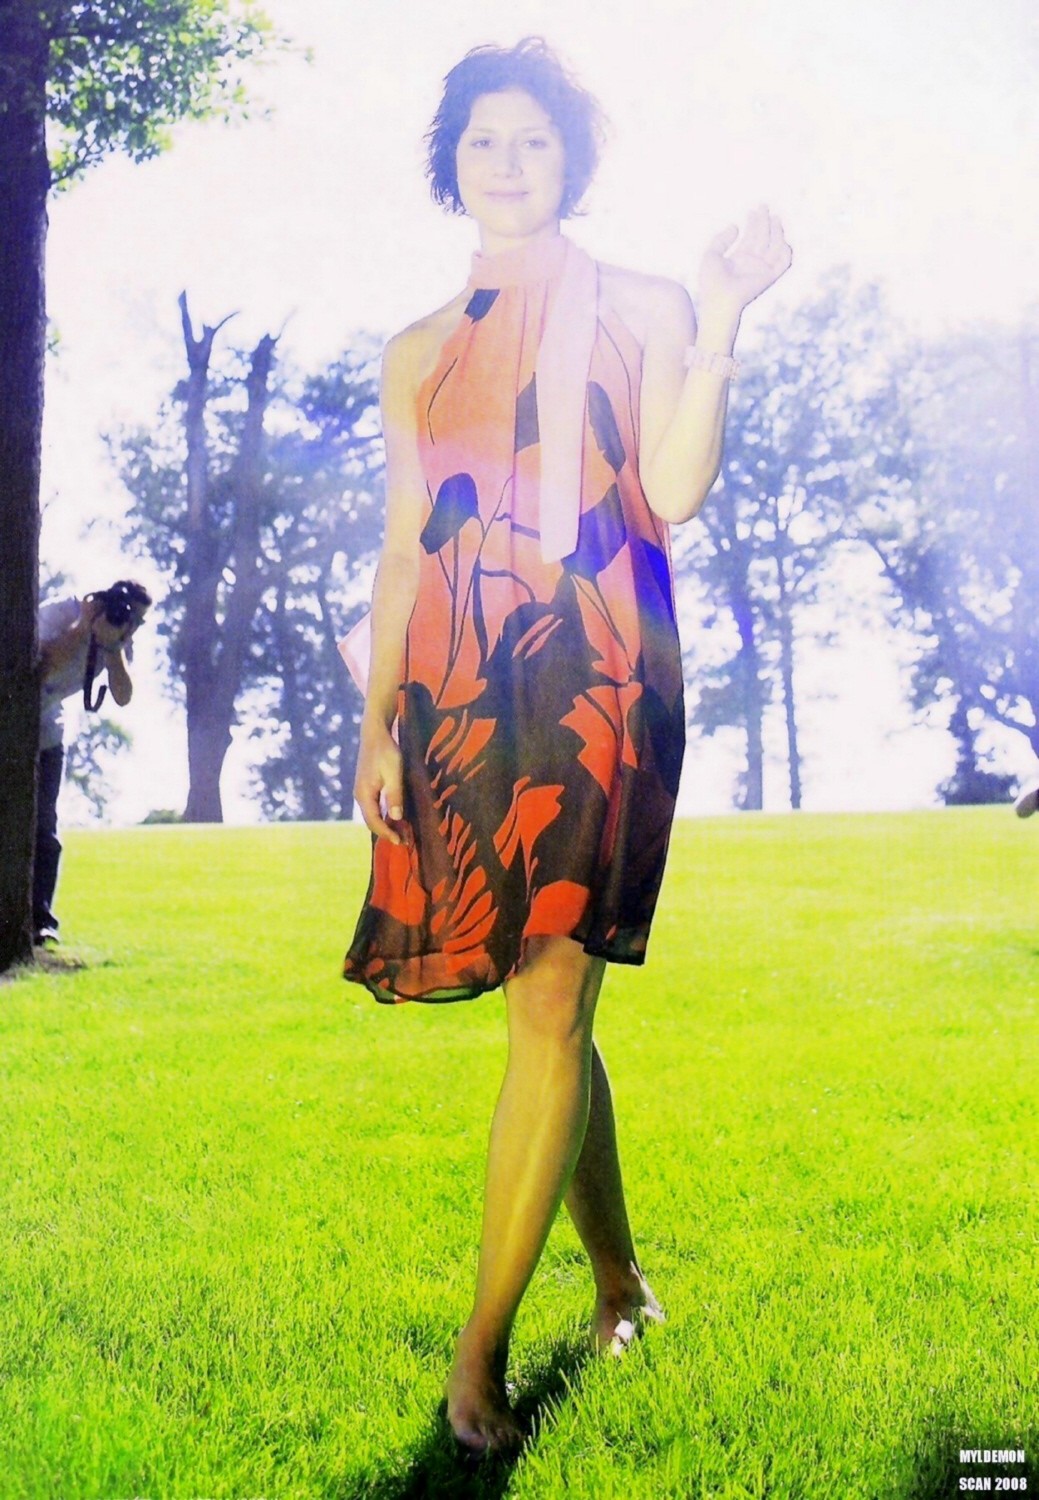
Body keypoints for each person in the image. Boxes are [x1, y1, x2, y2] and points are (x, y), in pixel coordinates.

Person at [341, 39, 792, 1455]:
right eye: (483, 140)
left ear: (571, 161)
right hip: (458, 690)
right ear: (450, 164)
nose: (507, 162)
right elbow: (403, 549)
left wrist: (721, 317)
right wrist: (375, 722)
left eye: (533, 140)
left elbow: (673, 488)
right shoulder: (414, 350)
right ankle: (616, 1279)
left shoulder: (647, 303)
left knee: (548, 996)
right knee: (551, 1005)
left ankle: (476, 1354)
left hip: (602, 675)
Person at [35, 579, 152, 944]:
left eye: (138, 622)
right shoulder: (62, 612)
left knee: (45, 830)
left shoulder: (119, 639)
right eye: (130, 616)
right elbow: (38, 668)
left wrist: (113, 646)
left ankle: (40, 921)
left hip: (47, 732)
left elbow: (123, 696)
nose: (131, 625)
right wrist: (83, 627)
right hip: (14, 721)